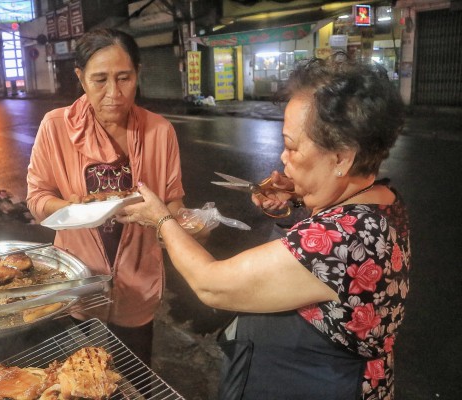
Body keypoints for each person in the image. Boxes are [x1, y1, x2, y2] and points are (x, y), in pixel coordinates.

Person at [119, 53, 410, 399]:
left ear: (341, 157)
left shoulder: (341, 239)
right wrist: (298, 202)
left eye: (291, 146)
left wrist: (162, 218)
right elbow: (323, 259)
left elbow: (212, 284)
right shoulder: (381, 199)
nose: (283, 158)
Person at [26, 28, 186, 366]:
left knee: (133, 372)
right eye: (100, 80)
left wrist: (174, 222)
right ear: (80, 78)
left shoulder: (160, 131)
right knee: (80, 377)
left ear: (137, 74)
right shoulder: (55, 127)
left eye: (124, 78)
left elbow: (172, 202)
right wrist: (69, 209)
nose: (114, 93)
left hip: (139, 281)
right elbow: (37, 198)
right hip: (78, 283)